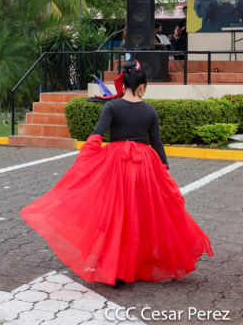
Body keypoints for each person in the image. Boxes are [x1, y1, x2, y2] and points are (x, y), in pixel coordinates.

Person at [21, 60, 213, 288]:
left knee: (116, 217)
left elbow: (97, 134)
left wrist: (85, 159)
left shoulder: (111, 107)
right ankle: (136, 263)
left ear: (125, 83)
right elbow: (158, 144)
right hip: (144, 166)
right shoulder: (150, 110)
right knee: (140, 217)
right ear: (142, 86)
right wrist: (164, 171)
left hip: (116, 165)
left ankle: (118, 270)